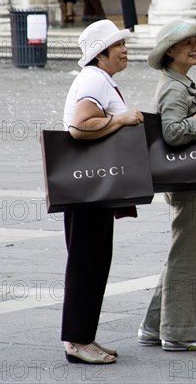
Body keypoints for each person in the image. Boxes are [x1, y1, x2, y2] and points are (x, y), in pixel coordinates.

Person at [61, 19, 143, 364]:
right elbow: (80, 126)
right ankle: (77, 341)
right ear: (101, 53)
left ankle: (84, 335)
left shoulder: (100, 79)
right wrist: (121, 120)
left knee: (94, 260)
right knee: (87, 262)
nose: (124, 50)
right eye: (118, 46)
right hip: (87, 189)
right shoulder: (93, 79)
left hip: (94, 186)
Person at [138, 21, 196, 351]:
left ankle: (153, 327)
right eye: (187, 43)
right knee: (188, 256)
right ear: (170, 52)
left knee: (181, 253)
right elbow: (172, 132)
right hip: (191, 181)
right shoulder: (173, 88)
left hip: (192, 177)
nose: (195, 46)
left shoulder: (180, 83)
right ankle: (180, 333)